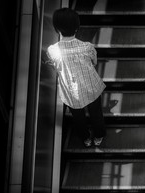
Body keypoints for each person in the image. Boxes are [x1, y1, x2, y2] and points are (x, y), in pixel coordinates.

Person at [47, 8, 106, 147]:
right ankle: (98, 135)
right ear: (77, 27)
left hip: (70, 92)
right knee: (96, 114)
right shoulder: (87, 47)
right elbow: (94, 62)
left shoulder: (52, 50)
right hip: (91, 86)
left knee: (78, 117)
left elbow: (56, 67)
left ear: (57, 28)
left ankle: (85, 138)